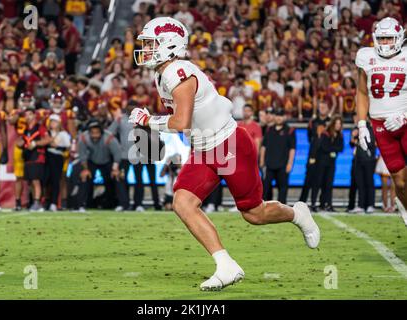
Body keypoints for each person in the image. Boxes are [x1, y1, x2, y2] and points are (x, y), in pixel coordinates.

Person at [129, 17, 320, 291]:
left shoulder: (177, 73)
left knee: (254, 213)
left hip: (228, 144)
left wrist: (148, 121)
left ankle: (298, 214)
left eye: (151, 44)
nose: (146, 50)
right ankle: (226, 265)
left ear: (169, 45)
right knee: (182, 202)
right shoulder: (163, 73)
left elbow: (180, 122)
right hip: (204, 147)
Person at [356, 17, 407, 225]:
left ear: (399, 38)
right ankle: (404, 206)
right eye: (382, 38)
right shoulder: (366, 57)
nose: (385, 43)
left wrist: (404, 115)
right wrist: (361, 125)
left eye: (389, 38)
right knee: (400, 183)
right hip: (381, 126)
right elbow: (361, 92)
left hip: (405, 121)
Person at [77, 120, 121, 209]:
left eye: (97, 132)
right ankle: (82, 205)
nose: (95, 135)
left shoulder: (109, 138)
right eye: (92, 132)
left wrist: (115, 169)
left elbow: (117, 154)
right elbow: (82, 155)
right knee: (85, 178)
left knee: (115, 179)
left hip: (108, 161)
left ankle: (118, 204)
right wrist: (85, 169)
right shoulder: (83, 138)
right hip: (92, 161)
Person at [17, 107, 52, 212]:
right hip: (28, 157)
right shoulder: (26, 129)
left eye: (29, 114)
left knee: (36, 181)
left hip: (37, 156)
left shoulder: (39, 127)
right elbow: (21, 142)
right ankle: (35, 201)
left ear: (34, 115)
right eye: (26, 115)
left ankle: (38, 202)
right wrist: (20, 144)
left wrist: (35, 143)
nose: (27, 117)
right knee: (30, 182)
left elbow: (48, 139)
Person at [260, 108, 296, 204]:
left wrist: (290, 163)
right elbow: (264, 146)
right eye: (277, 115)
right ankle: (264, 208)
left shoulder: (290, 131)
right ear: (274, 117)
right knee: (265, 187)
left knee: (282, 188)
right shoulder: (269, 130)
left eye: (281, 116)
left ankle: (282, 208)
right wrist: (262, 161)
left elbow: (292, 149)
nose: (279, 118)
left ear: (284, 117)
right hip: (269, 164)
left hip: (283, 165)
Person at [311, 116, 344, 212]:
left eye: (340, 124)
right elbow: (324, 147)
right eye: (337, 123)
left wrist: (331, 150)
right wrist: (332, 150)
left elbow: (341, 148)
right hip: (321, 162)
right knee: (318, 183)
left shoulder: (339, 135)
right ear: (333, 124)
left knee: (329, 184)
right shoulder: (325, 133)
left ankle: (327, 204)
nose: (338, 126)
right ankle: (313, 204)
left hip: (331, 163)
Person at [300, 101, 330, 204]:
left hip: (325, 156)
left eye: (324, 106)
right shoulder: (312, 122)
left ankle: (321, 203)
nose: (322, 108)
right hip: (313, 154)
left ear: (328, 108)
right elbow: (310, 138)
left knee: (324, 181)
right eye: (320, 106)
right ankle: (301, 202)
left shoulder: (331, 122)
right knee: (308, 178)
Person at [349, 117, 376, 213]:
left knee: (369, 182)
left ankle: (370, 205)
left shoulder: (370, 128)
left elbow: (371, 143)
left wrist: (358, 137)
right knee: (360, 183)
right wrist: (353, 137)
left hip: (368, 159)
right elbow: (351, 144)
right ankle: (361, 205)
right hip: (358, 159)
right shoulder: (356, 129)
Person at [45, 114, 71, 212]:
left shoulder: (63, 134)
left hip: (58, 157)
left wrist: (57, 146)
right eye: (51, 121)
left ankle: (54, 203)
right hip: (48, 156)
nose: (53, 124)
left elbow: (67, 146)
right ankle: (46, 202)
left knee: (56, 180)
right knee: (47, 180)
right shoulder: (47, 133)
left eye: (55, 122)